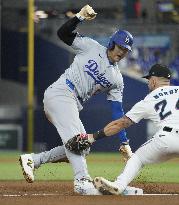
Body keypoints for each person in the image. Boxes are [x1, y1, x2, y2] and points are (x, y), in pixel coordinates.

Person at [19, 5, 134, 195]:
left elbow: (117, 111)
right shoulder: (91, 46)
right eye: (120, 46)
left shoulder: (117, 78)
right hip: (62, 92)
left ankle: (34, 160)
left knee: (84, 146)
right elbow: (63, 33)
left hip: (73, 103)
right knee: (76, 140)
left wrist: (124, 142)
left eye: (126, 50)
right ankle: (82, 181)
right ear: (112, 43)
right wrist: (79, 17)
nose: (122, 52)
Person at [83, 64, 179, 195]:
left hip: (167, 138)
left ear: (154, 80)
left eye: (148, 80)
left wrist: (93, 137)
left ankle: (119, 185)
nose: (148, 83)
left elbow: (121, 124)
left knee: (138, 158)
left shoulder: (149, 99)